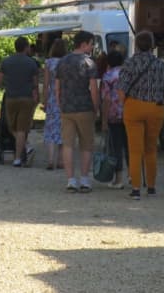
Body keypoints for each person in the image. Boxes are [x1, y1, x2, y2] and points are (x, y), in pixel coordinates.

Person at [118, 31, 164, 200]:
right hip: (155, 108)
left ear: (136, 45)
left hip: (133, 107)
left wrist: (126, 104)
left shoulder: (129, 63)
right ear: (152, 45)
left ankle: (135, 189)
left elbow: (121, 90)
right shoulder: (160, 64)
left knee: (135, 150)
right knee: (151, 149)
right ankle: (151, 188)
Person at [55, 31, 100, 193]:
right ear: (84, 44)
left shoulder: (62, 62)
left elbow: (57, 87)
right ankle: (85, 179)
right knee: (86, 145)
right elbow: (93, 89)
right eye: (91, 43)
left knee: (68, 144)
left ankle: (71, 180)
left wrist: (60, 104)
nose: (92, 47)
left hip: (67, 107)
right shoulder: (89, 62)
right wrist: (96, 107)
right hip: (84, 107)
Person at [0, 37, 40, 167]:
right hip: (26, 98)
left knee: (12, 127)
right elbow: (35, 83)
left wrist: (7, 84)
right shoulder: (32, 63)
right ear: (26, 47)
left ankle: (21, 153)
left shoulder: (6, 61)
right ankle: (22, 152)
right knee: (22, 128)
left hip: (11, 97)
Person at [99, 50, 128, 189]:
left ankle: (119, 179)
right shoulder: (128, 74)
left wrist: (104, 121)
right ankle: (133, 176)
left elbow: (106, 99)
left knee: (116, 147)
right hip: (129, 113)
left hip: (114, 115)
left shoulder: (107, 76)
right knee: (129, 146)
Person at [42, 38, 66, 169]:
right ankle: (61, 160)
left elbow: (46, 84)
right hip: (64, 98)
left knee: (51, 128)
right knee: (63, 128)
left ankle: (51, 160)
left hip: (52, 98)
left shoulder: (48, 63)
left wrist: (44, 101)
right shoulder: (66, 62)